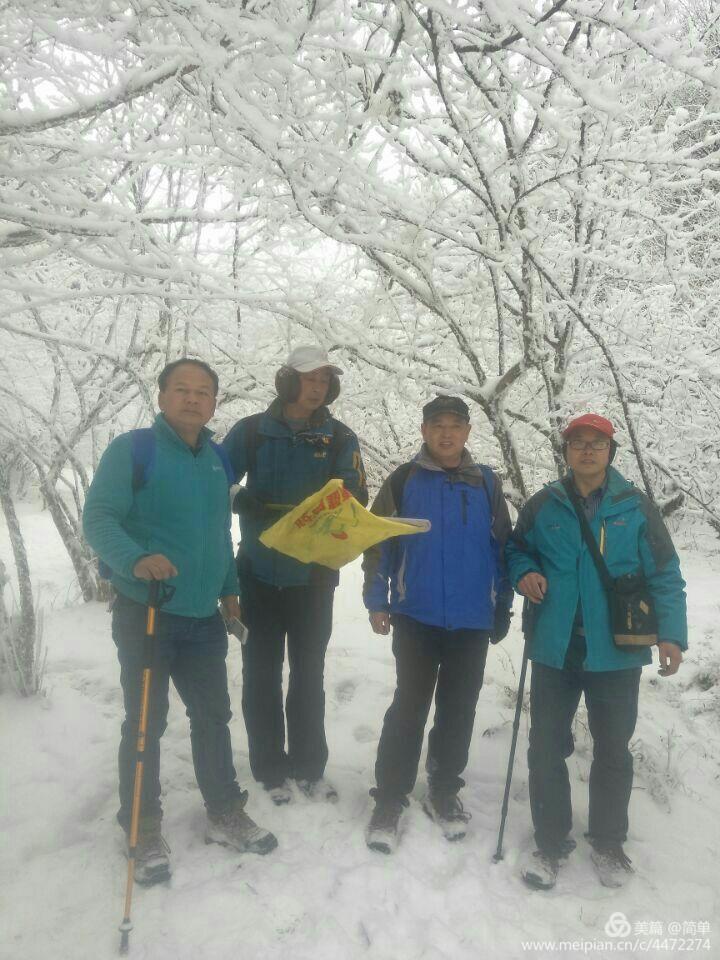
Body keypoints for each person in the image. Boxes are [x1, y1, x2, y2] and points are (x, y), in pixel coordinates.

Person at [83, 358, 277, 885]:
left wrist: (230, 591)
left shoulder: (215, 459)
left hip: (202, 617)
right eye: (182, 390)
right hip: (147, 611)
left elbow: (218, 533)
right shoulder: (133, 451)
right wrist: (134, 558)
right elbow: (98, 518)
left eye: (203, 392)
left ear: (214, 402)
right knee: (146, 722)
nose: (193, 399)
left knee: (213, 717)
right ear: (163, 396)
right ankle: (142, 827)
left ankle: (223, 812)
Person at [505, 413, 687, 890]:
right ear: (565, 452)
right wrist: (523, 571)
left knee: (612, 750)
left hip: (617, 650)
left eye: (597, 443)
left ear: (611, 451)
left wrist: (671, 635)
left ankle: (608, 842)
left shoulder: (635, 506)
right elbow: (515, 549)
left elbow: (665, 573)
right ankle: (550, 842)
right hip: (554, 645)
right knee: (545, 746)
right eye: (577, 443)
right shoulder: (543, 504)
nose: (587, 451)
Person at [362, 396, 513, 853]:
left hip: (470, 620)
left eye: (455, 426)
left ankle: (444, 789)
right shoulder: (405, 479)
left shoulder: (486, 483)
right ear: (424, 430)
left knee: (458, 708)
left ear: (468, 432)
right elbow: (378, 541)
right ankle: (390, 797)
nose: (446, 434)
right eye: (437, 425)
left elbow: (503, 549)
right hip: (416, 615)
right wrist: (376, 599)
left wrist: (501, 607)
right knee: (409, 705)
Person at [222, 345, 368, 806]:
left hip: (313, 579)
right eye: (309, 379)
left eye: (325, 380)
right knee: (260, 674)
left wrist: (331, 501)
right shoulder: (251, 432)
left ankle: (308, 766)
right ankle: (268, 769)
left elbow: (354, 492)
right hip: (257, 576)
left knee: (309, 675)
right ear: (287, 381)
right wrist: (239, 497)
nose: (318, 387)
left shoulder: (340, 437)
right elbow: (210, 477)